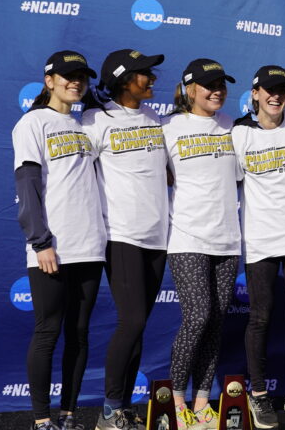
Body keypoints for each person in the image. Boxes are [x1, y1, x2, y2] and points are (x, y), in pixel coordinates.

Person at [12, 51, 106, 430]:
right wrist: (40, 241)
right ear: (48, 80)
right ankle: (41, 419)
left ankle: (68, 415)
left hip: (90, 245)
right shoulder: (33, 123)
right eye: (68, 76)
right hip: (53, 247)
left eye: (81, 76)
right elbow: (28, 186)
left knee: (79, 334)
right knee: (48, 331)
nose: (76, 82)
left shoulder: (87, 124)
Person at [84, 49, 169, 430]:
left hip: (157, 237)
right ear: (122, 80)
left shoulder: (156, 118)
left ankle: (124, 410)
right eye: (143, 74)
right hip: (120, 235)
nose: (151, 79)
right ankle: (108, 411)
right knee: (131, 320)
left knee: (140, 323)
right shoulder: (94, 121)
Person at [231, 65, 285, 428]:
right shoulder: (239, 133)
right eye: (269, 89)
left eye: (282, 89)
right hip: (260, 238)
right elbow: (227, 184)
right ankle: (260, 395)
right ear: (255, 94)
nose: (276, 95)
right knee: (261, 318)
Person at [162, 59, 241, 430]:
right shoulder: (168, 128)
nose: (218, 91)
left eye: (222, 84)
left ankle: (202, 401)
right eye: (209, 85)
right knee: (198, 316)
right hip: (187, 238)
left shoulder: (234, 127)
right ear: (190, 89)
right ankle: (176, 399)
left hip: (228, 240)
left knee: (215, 323)